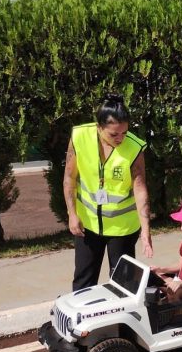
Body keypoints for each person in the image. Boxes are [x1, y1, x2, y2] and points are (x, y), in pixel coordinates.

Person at [63, 93, 153, 291]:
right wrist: (72, 214)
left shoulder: (134, 147)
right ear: (99, 127)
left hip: (123, 228)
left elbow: (139, 188)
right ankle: (84, 320)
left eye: (124, 132)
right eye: (114, 134)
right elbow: (69, 178)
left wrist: (145, 229)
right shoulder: (79, 137)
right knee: (83, 280)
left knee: (124, 282)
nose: (120, 138)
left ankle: (123, 322)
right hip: (88, 224)